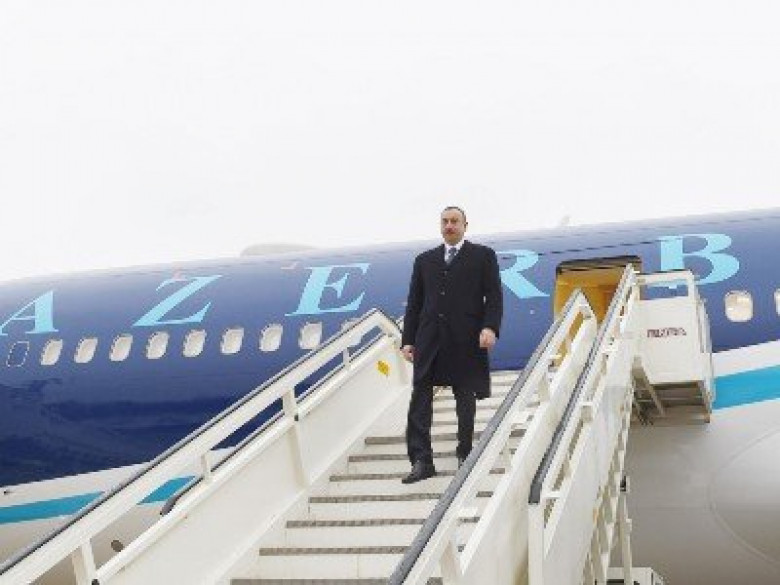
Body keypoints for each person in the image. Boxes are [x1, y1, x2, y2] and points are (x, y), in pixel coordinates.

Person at [400, 206, 503, 484]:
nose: (449, 225)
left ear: (465, 225)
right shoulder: (424, 260)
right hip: (429, 338)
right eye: (445, 221)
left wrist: (490, 327)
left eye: (454, 221)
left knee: (465, 396)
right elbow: (415, 303)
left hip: (465, 337)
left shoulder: (483, 256)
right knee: (420, 398)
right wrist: (408, 339)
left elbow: (494, 296)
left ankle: (465, 452)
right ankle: (422, 461)